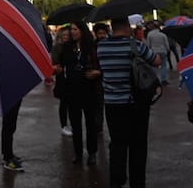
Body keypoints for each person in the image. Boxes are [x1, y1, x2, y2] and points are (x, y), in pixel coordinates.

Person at [97, 16, 161, 188]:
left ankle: (116, 180)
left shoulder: (101, 47)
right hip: (135, 102)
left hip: (112, 103)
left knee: (117, 143)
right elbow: (156, 60)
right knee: (138, 145)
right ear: (126, 27)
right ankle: (137, 182)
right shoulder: (134, 45)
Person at [56, 22, 101, 165]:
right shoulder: (67, 48)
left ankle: (92, 152)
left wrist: (97, 73)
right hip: (72, 90)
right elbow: (61, 65)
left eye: (75, 29)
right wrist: (57, 69)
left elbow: (99, 66)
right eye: (71, 29)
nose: (72, 32)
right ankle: (78, 152)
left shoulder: (91, 47)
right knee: (75, 123)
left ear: (82, 30)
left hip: (89, 89)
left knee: (90, 123)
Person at [50, 26, 72, 137]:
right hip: (62, 78)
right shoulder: (58, 47)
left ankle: (68, 124)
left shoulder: (72, 46)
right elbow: (55, 64)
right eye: (64, 35)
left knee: (70, 102)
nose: (66, 37)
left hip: (71, 78)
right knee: (64, 102)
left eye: (68, 35)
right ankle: (63, 125)